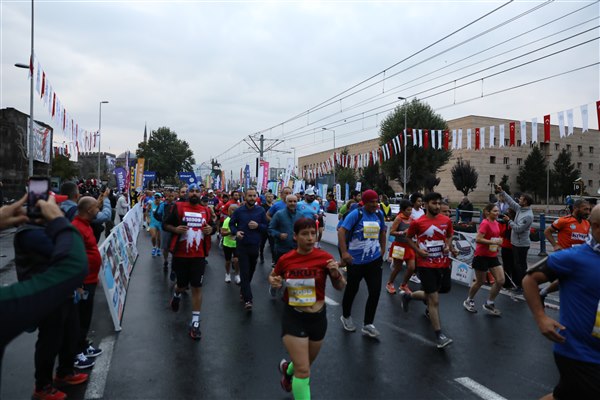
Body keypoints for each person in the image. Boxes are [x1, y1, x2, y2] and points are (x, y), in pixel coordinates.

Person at [0, 196, 88, 397]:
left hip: (63, 292)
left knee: (70, 332)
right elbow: (67, 255)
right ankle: (43, 385)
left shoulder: (44, 228)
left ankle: (65, 371)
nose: (57, 208)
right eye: (54, 205)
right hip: (44, 294)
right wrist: (60, 223)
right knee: (50, 340)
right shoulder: (29, 232)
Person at [522, 204, 600, 400]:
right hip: (579, 353)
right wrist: (541, 318)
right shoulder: (572, 257)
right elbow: (529, 279)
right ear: (597, 227)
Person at [269, 218, 346, 399]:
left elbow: (340, 286)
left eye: (313, 233)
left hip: (318, 319)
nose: (310, 238)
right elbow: (273, 276)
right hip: (294, 318)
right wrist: (274, 281)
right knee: (303, 371)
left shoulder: (324, 257)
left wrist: (336, 274)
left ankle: (288, 371)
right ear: (295, 236)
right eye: (305, 234)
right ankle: (293, 374)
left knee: (304, 364)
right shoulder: (286, 259)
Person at [401, 192, 457, 349]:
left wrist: (448, 246)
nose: (437, 206)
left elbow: (450, 235)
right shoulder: (418, 222)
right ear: (425, 204)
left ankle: (408, 296)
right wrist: (418, 251)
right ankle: (439, 335)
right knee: (434, 299)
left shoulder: (446, 220)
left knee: (441, 290)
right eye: (434, 203)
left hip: (443, 263)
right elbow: (408, 238)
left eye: (439, 203)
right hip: (426, 265)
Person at [163, 183, 215, 340]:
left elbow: (213, 227)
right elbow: (165, 224)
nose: (194, 193)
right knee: (182, 285)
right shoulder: (178, 207)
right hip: (180, 255)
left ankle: (195, 322)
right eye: (191, 191)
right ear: (187, 193)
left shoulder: (206, 210)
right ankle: (176, 295)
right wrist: (175, 229)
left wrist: (211, 230)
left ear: (201, 194)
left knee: (197, 287)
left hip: (199, 256)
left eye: (197, 191)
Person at [338, 189, 387, 338]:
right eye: (371, 202)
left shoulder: (379, 214)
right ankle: (346, 316)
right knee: (352, 290)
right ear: (364, 202)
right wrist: (344, 253)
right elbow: (341, 231)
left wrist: (382, 250)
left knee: (375, 291)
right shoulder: (356, 214)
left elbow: (383, 232)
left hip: (374, 260)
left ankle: (368, 324)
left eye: (376, 201)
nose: (375, 204)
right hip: (356, 261)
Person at [70, 197, 105, 368]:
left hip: (90, 279)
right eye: (96, 207)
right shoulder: (76, 228)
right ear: (89, 209)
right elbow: (73, 257)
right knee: (79, 318)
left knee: (85, 317)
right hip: (82, 283)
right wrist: (78, 284)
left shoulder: (86, 225)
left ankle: (83, 345)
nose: (98, 210)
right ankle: (76, 353)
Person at [540, 199, 591, 300]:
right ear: (576, 208)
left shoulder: (586, 223)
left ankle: (543, 292)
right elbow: (547, 232)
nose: (588, 212)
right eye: (585, 209)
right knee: (569, 280)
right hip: (565, 257)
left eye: (589, 209)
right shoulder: (564, 221)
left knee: (567, 280)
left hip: (578, 258)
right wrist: (555, 245)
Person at [462, 203, 505, 316]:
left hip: (492, 255)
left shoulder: (496, 222)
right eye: (495, 211)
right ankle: (469, 300)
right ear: (487, 212)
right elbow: (478, 239)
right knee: (480, 282)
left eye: (498, 211)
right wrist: (493, 242)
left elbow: (495, 236)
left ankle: (489, 303)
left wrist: (498, 242)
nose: (497, 213)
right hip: (481, 256)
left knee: (500, 280)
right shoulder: (485, 223)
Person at [229, 188, 268, 310]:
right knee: (244, 272)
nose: (252, 198)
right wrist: (236, 232)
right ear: (245, 197)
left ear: (256, 197)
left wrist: (258, 226)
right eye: (249, 196)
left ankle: (244, 288)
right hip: (242, 245)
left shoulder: (261, 210)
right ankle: (248, 299)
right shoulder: (239, 210)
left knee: (251, 270)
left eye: (254, 196)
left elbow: (266, 227)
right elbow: (231, 224)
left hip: (255, 245)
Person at [495, 185, 533, 295]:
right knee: (517, 265)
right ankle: (519, 284)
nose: (518, 200)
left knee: (521, 266)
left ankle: (522, 286)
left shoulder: (528, 216)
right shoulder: (520, 209)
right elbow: (510, 202)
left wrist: (509, 221)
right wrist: (502, 192)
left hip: (521, 244)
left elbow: (518, 229)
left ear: (525, 202)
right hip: (515, 243)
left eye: (521, 199)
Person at [385, 199, 415, 295]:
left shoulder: (412, 219)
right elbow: (391, 232)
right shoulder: (398, 218)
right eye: (408, 210)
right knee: (398, 268)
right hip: (399, 246)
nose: (410, 212)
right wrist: (402, 232)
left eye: (411, 210)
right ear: (402, 210)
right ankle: (389, 283)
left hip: (409, 246)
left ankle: (404, 285)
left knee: (411, 268)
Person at [221, 204, 240, 284]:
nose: (233, 212)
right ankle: (227, 274)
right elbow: (222, 233)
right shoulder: (227, 220)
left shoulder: (240, 220)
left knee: (236, 261)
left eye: (235, 210)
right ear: (228, 211)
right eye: (231, 210)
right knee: (228, 261)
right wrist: (231, 232)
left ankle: (237, 275)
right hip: (227, 244)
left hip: (237, 244)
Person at [259, 192, 275, 264]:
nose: (270, 198)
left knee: (273, 245)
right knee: (262, 243)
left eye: (271, 197)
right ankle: (261, 254)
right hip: (264, 227)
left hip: (272, 228)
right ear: (265, 198)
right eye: (269, 197)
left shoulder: (274, 206)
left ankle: (273, 260)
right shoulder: (262, 206)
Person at [148, 193, 163, 257]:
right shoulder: (151, 204)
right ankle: (154, 248)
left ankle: (159, 249)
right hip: (153, 223)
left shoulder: (162, 204)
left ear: (160, 198)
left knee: (159, 239)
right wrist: (148, 218)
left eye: (158, 197)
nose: (157, 199)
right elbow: (147, 211)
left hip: (160, 223)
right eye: (155, 197)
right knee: (153, 236)